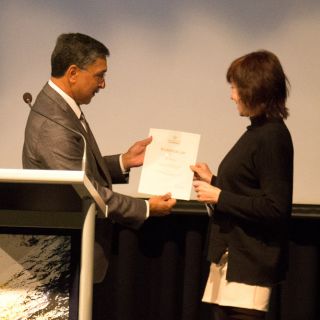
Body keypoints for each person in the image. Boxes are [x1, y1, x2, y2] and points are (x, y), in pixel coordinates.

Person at [22, 33, 176, 317]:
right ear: (72, 73)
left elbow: (79, 170)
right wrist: (145, 207)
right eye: (99, 75)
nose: (103, 84)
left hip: (73, 253)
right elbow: (86, 191)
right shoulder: (54, 124)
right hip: (64, 257)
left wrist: (123, 162)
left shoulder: (59, 108)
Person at [191, 50, 293, 320]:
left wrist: (219, 196)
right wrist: (212, 181)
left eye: (236, 87)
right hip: (232, 261)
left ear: (255, 88)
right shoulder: (258, 131)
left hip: (250, 267)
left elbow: (275, 207)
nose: (232, 95)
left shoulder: (272, 136)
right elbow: (249, 189)